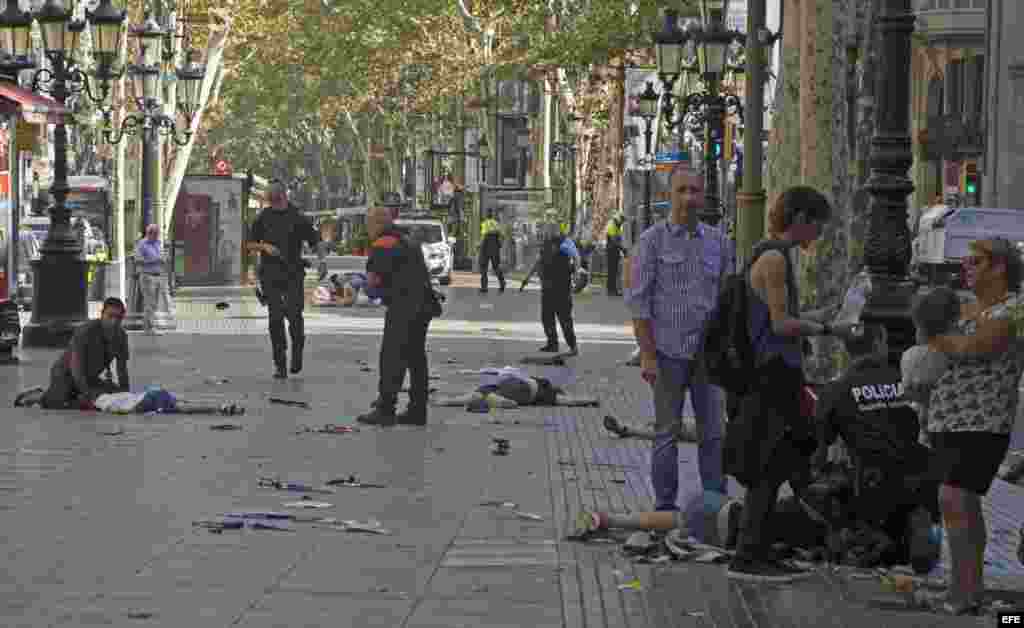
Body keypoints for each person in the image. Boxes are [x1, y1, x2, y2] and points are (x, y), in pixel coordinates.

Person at [722, 186, 860, 583]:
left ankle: (761, 548)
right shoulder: (776, 260)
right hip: (772, 376)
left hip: (776, 373)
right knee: (770, 466)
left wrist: (826, 313)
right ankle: (749, 556)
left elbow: (780, 316)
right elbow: (782, 326)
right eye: (816, 225)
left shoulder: (769, 253)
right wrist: (830, 328)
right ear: (800, 219)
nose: (818, 234)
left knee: (783, 460)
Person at [625, 164, 732, 520]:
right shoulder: (651, 242)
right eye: (682, 191)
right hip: (668, 352)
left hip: (709, 356)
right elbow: (639, 303)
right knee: (667, 432)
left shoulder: (719, 243)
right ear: (668, 196)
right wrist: (648, 355)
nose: (689, 198)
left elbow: (729, 299)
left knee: (714, 433)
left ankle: (716, 507)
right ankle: (666, 507)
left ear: (703, 197)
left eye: (695, 191)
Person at [925, 237, 1023, 615]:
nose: (966, 267)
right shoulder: (968, 309)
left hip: (983, 420)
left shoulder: (1013, 310)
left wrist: (933, 336)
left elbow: (974, 348)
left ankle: (963, 593)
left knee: (955, 499)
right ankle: (967, 589)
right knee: (961, 503)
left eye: (975, 261)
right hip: (948, 418)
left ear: (1000, 267)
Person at [812, 322, 941, 574]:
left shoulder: (836, 389)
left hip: (872, 484)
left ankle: (862, 537)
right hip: (921, 476)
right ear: (878, 344)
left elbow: (819, 448)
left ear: (847, 350)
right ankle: (913, 526)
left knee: (827, 486)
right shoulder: (906, 379)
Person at [357, 206, 437, 427]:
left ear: (376, 224)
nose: (367, 229)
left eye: (368, 224)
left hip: (404, 307)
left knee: (392, 357)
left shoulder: (383, 244)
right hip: (424, 306)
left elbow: (372, 285)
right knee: (416, 358)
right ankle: (417, 410)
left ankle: (386, 409)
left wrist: (364, 287)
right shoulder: (407, 240)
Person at [245, 182, 326, 379]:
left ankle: (297, 354)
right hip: (270, 275)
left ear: (280, 195)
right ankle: (280, 364)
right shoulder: (262, 217)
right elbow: (249, 244)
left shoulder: (297, 217)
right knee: (275, 319)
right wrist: (264, 248)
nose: (267, 197)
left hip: (293, 274)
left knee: (294, 316)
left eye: (270, 194)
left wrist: (322, 261)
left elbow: (316, 241)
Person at [38, 297, 130, 410]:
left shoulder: (121, 336)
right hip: (65, 374)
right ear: (102, 314)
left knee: (113, 393)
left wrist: (126, 395)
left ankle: (74, 396)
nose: (114, 321)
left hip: (89, 378)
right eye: (110, 316)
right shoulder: (85, 332)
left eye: (119, 318)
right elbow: (76, 368)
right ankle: (39, 396)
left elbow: (122, 370)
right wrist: (89, 395)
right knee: (62, 403)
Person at [901, 287, 960, 444]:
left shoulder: (909, 356)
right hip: (953, 428)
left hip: (925, 423)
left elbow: (909, 392)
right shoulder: (957, 355)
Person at [521, 223, 579, 355]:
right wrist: (527, 277)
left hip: (562, 288)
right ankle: (552, 344)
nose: (548, 232)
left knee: (565, 318)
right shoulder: (546, 244)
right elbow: (539, 261)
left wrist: (576, 276)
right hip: (547, 287)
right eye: (548, 230)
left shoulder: (565, 243)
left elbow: (576, 258)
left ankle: (573, 346)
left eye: (551, 230)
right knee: (547, 317)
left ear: (558, 231)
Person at [136, 223, 167, 335]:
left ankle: (148, 327)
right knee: (149, 303)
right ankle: (149, 328)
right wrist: (154, 260)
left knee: (154, 304)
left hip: (158, 275)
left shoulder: (158, 243)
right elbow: (137, 260)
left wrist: (162, 260)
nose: (158, 236)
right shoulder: (142, 244)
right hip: (147, 276)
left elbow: (161, 256)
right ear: (150, 233)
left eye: (158, 234)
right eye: (156, 234)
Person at [479, 210, 505, 293]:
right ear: (492, 215)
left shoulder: (485, 223)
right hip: (495, 247)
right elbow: (502, 235)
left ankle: (484, 287)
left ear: (486, 215)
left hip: (486, 247)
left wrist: (479, 245)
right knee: (496, 266)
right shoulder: (496, 224)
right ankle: (502, 282)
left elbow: (483, 237)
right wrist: (500, 244)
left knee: (483, 267)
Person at [605, 213, 624, 296]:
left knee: (614, 270)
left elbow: (618, 239)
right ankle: (611, 290)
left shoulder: (617, 226)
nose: (622, 223)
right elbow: (614, 240)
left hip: (614, 250)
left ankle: (613, 289)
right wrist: (622, 248)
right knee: (612, 270)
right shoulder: (612, 225)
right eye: (622, 221)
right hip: (611, 250)